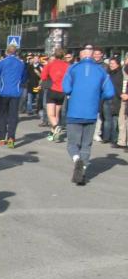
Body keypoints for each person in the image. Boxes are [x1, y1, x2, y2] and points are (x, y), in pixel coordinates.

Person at [61, 44, 115, 185]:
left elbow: (66, 88)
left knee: (72, 144)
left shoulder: (72, 68)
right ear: (92, 56)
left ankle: (76, 159)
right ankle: (83, 169)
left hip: (74, 111)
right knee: (86, 144)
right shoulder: (101, 71)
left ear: (80, 55)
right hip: (91, 112)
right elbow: (110, 92)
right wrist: (98, 96)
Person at [0, 44, 25, 147]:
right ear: (16, 52)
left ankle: (1, 138)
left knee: (3, 115)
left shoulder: (2, 62)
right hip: (16, 92)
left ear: (6, 52)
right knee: (13, 116)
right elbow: (24, 78)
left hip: (3, 91)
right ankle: (11, 137)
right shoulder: (21, 63)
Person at [40, 48, 70, 142]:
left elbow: (43, 77)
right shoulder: (67, 66)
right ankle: (54, 134)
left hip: (52, 90)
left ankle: (56, 127)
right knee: (56, 114)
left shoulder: (50, 64)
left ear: (55, 55)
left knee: (50, 114)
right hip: (62, 91)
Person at [103, 57, 123, 146]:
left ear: (118, 64)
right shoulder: (107, 73)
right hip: (107, 98)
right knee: (107, 119)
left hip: (116, 99)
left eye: (113, 63)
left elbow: (119, 87)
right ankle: (106, 137)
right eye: (110, 63)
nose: (111, 65)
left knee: (115, 120)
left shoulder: (121, 74)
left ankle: (114, 138)